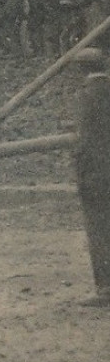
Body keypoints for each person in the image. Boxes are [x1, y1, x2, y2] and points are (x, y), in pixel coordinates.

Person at [72, 49, 110, 306]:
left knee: (98, 229)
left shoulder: (87, 96)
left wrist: (80, 175)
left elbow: (85, 143)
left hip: (97, 173)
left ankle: (105, 288)